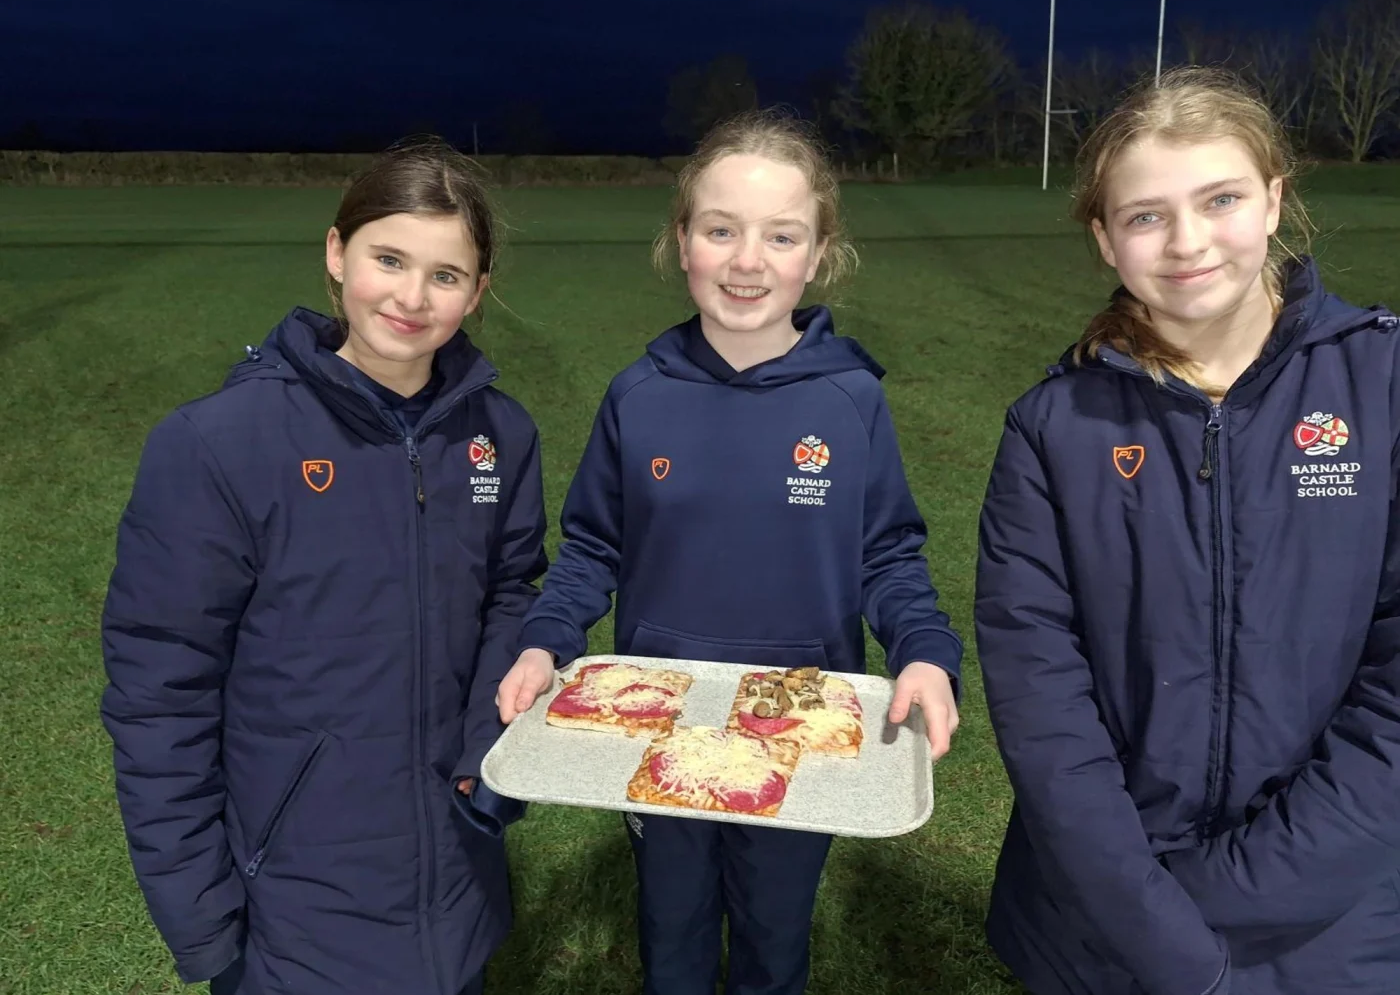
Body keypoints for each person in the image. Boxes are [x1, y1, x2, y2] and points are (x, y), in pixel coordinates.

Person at [493, 109, 963, 995]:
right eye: (722, 231)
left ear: (818, 253)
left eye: (780, 236)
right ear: (683, 242)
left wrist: (927, 652)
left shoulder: (851, 398)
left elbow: (889, 554)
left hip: (805, 726)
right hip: (660, 722)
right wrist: (545, 638)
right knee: (670, 934)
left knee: (774, 938)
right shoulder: (638, 397)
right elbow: (593, 545)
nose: (749, 261)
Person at [974, 65, 1400, 995]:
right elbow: (1042, 702)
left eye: (1220, 199)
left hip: (1333, 926)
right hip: (1099, 923)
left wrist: (1219, 898)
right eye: (1146, 215)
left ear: (1275, 197)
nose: (1189, 242)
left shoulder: (1384, 384)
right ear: (1105, 238)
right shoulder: (1052, 428)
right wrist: (1144, 917)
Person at [99, 136, 546, 995]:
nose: (412, 297)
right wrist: (202, 921)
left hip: (455, 890)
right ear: (337, 253)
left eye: (446, 275)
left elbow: (510, 591)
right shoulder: (216, 445)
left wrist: (488, 760)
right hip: (290, 912)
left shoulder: (500, 434)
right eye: (389, 258)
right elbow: (160, 695)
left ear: (478, 290)